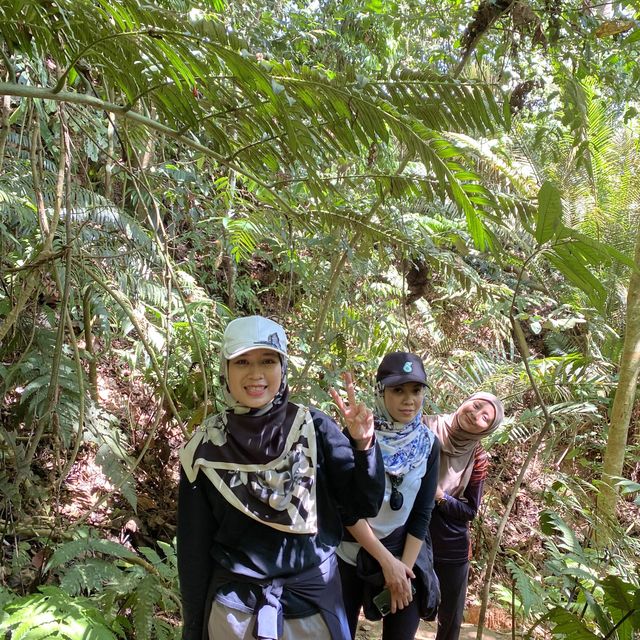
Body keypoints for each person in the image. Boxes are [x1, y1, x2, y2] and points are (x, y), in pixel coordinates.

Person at [177, 315, 385, 640]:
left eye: (268, 360)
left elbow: (363, 504)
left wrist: (364, 445)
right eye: (242, 361)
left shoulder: (314, 430)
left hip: (312, 606)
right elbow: (193, 550)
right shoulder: (204, 449)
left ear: (283, 367)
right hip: (235, 612)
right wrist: (193, 629)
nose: (255, 373)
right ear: (225, 370)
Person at [332, 352, 441, 640]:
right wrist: (386, 563)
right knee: (337, 632)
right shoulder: (357, 434)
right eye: (398, 390)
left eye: (416, 390)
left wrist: (402, 570)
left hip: (403, 551)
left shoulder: (428, 445)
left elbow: (422, 512)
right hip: (351, 554)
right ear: (381, 392)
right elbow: (345, 509)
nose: (409, 400)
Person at [425, 392, 505, 640]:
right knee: (402, 608)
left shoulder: (477, 457)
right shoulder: (423, 427)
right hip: (408, 534)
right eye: (477, 405)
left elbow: (470, 510)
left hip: (451, 545)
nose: (475, 414)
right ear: (466, 400)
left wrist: (440, 495)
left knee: (449, 621)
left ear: (487, 430)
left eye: (485, 417)